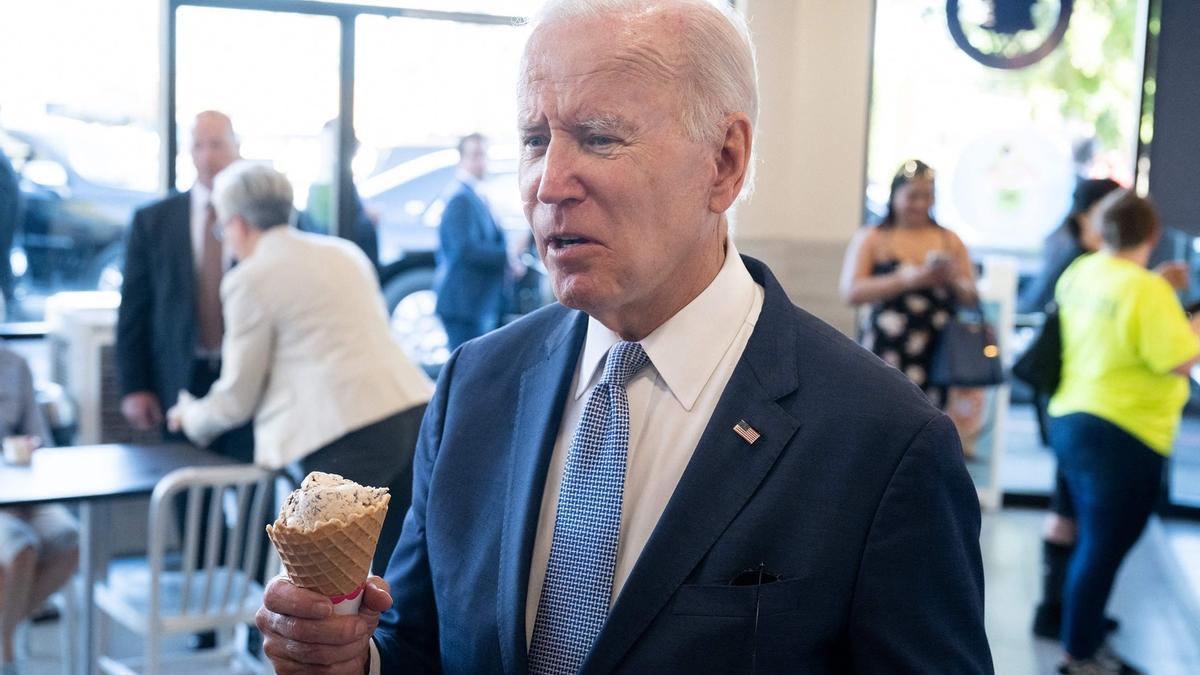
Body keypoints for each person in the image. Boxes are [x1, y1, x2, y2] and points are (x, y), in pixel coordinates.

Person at [257, 1, 993, 673]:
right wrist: (351, 660)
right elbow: (420, 640)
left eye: (599, 137)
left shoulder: (883, 444)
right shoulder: (475, 386)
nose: (550, 181)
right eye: (534, 138)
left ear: (725, 162)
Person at [166, 161, 433, 575]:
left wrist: (190, 417)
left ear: (237, 223)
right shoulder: (342, 252)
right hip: (414, 414)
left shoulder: (250, 279)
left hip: (346, 435)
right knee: (393, 575)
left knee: (322, 585)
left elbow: (237, 398)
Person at [1049, 190, 1200, 673]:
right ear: (1153, 235)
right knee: (1104, 546)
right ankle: (1080, 654)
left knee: (1092, 540)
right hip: (1126, 432)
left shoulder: (1083, 272)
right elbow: (1177, 358)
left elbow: (1121, 313)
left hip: (1073, 419)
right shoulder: (1146, 290)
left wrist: (1158, 293)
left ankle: (1084, 638)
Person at [116, 110, 254, 464]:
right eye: (199, 146)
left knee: (251, 494)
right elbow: (134, 308)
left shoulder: (259, 219)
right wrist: (135, 386)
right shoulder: (154, 220)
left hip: (246, 375)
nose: (208, 156)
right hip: (179, 377)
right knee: (187, 496)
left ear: (237, 147)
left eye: (218, 145)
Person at [840, 159, 978, 409]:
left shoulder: (949, 240)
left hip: (936, 351)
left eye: (927, 196)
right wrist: (906, 279)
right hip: (887, 347)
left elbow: (972, 298)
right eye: (913, 196)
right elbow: (851, 292)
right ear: (895, 195)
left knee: (931, 417)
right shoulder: (873, 238)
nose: (920, 204)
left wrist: (953, 278)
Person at [0, 343, 79, 671]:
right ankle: (6, 654)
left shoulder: (15, 364)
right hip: (7, 504)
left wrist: (27, 449)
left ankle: (5, 631)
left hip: (24, 489)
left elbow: (39, 439)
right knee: (22, 548)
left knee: (71, 539)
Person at [433, 133, 515, 349]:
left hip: (476, 302)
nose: (482, 161)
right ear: (462, 158)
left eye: (484, 154)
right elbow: (464, 249)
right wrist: (507, 255)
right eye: (475, 155)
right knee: (466, 376)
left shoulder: (476, 194)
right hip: (464, 304)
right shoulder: (460, 197)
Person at [299, 119, 380, 272]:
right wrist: (367, 221)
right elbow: (325, 231)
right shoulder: (329, 181)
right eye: (350, 137)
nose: (357, 143)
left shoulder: (337, 176)